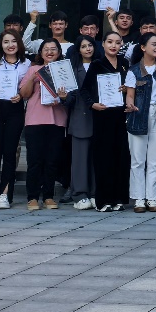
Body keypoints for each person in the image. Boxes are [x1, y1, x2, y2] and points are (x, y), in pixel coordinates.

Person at [124, 32, 156, 213]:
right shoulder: (133, 70)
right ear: (143, 47)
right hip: (138, 113)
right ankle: (139, 198)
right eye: (153, 44)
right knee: (137, 160)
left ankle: (152, 198)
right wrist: (130, 104)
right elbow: (130, 95)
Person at [18, 39, 70, 210]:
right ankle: (32, 197)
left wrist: (63, 97)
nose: (49, 52)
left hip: (57, 120)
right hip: (35, 120)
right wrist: (33, 78)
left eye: (53, 49)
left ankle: (48, 196)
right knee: (34, 160)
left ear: (59, 52)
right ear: (40, 53)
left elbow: (71, 96)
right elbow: (24, 94)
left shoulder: (64, 70)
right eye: (46, 49)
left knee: (52, 160)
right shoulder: (33, 69)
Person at [83, 32, 130, 212]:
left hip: (120, 115)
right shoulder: (96, 64)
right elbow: (84, 90)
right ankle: (102, 200)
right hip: (102, 115)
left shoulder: (125, 63)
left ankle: (118, 198)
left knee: (120, 156)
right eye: (110, 42)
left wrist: (126, 89)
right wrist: (92, 104)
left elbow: (131, 87)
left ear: (121, 45)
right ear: (102, 44)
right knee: (104, 158)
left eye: (117, 42)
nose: (113, 46)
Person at [0, 32, 30, 209]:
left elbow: (27, 88)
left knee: (10, 153)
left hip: (15, 109)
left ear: (19, 44)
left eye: (13, 41)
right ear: (1, 45)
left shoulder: (26, 64)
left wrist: (21, 96)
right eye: (6, 42)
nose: (10, 45)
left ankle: (5, 194)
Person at [64, 35, 98, 209]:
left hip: (99, 117)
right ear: (78, 50)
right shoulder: (72, 70)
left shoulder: (101, 66)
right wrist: (64, 97)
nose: (88, 49)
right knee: (80, 158)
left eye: (90, 45)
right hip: (80, 117)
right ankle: (79, 194)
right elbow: (69, 99)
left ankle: (94, 193)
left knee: (96, 158)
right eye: (84, 46)